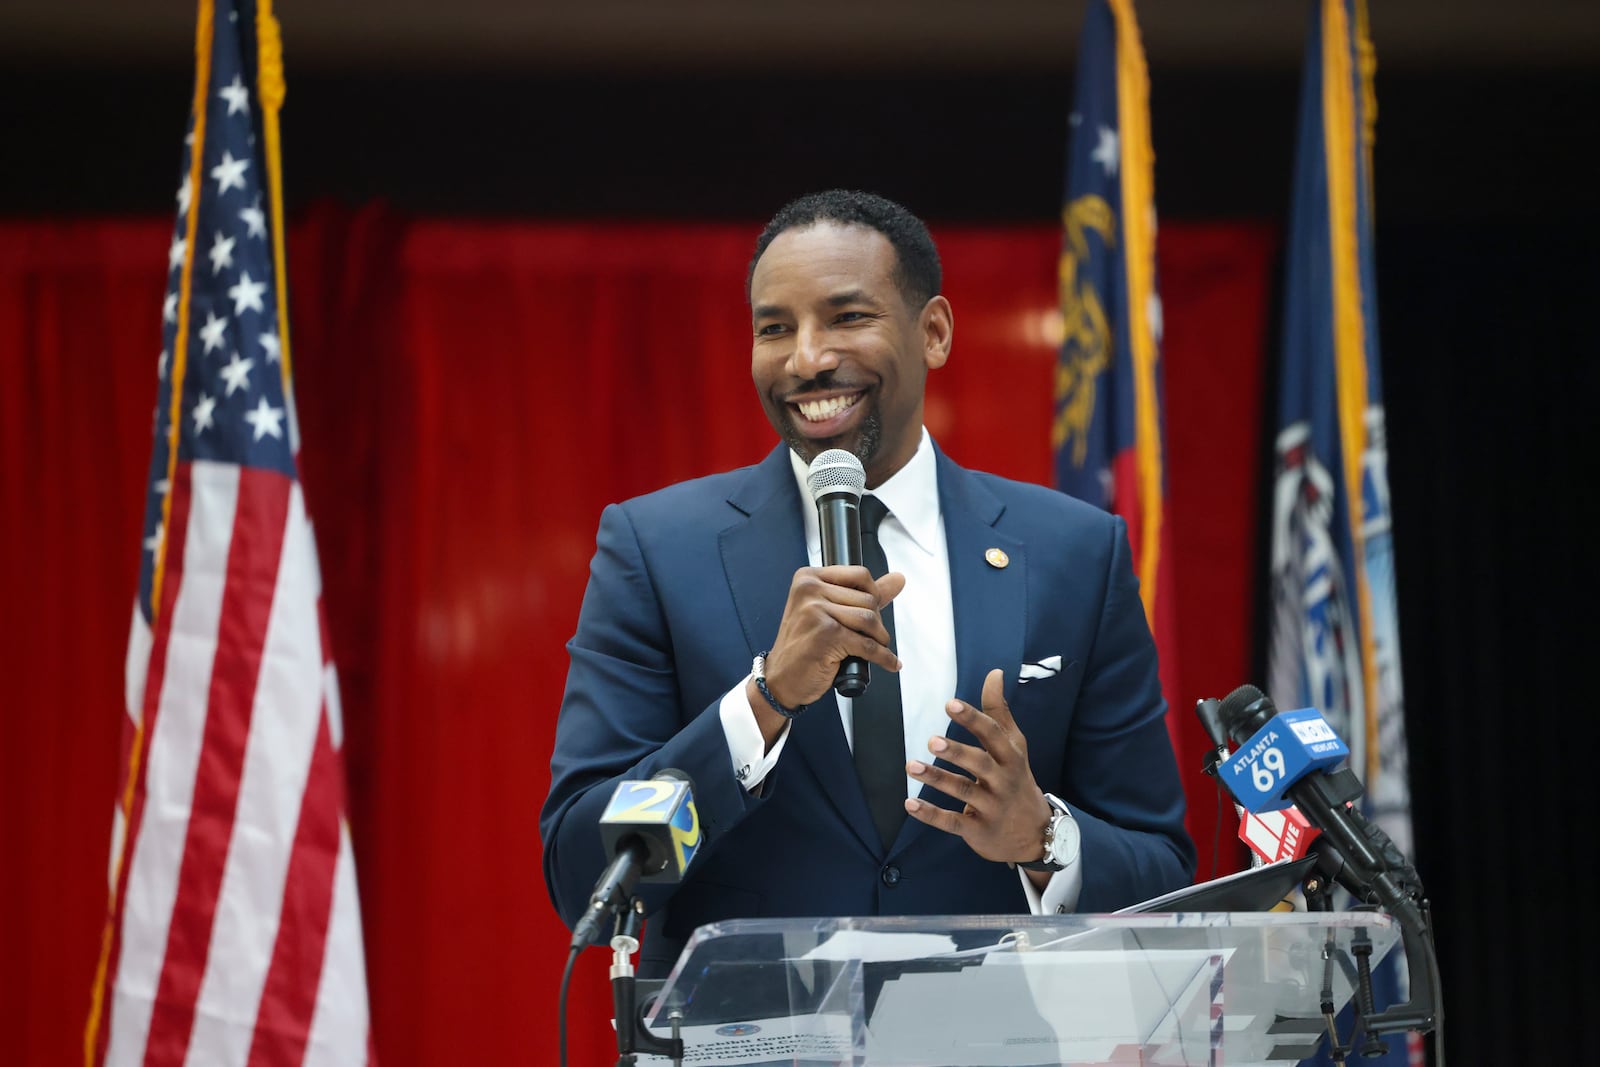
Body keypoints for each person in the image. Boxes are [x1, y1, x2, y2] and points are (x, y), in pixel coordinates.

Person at [540, 190, 1193, 977]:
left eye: (847, 317)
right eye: (774, 327)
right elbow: (584, 870)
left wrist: (1043, 837)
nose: (806, 358)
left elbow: (1164, 876)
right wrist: (763, 702)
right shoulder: (655, 549)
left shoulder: (1074, 552)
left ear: (936, 332)